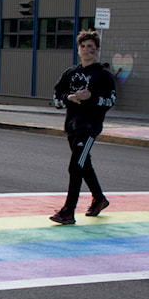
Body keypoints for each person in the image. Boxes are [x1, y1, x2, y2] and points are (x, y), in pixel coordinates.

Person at [49, 30, 117, 225]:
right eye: (83, 47)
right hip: (72, 125)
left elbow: (110, 101)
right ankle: (99, 199)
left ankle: (68, 211)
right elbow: (56, 99)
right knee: (83, 164)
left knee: (75, 165)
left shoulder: (103, 75)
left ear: (97, 50)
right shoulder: (70, 74)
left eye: (91, 47)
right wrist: (68, 98)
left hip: (89, 127)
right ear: (78, 49)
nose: (87, 50)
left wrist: (91, 98)